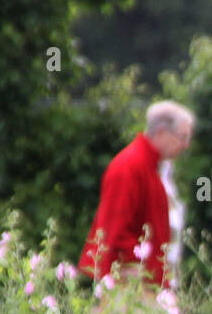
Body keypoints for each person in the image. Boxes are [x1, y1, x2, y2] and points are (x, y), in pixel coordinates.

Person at [79, 100, 195, 286]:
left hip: (151, 282)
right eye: (182, 137)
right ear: (162, 132)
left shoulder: (157, 168)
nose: (186, 145)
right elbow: (115, 232)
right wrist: (139, 279)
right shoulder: (129, 166)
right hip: (131, 283)